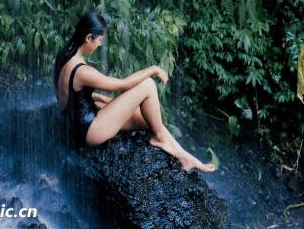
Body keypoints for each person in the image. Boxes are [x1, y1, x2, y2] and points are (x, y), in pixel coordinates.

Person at [53, 12, 214, 173]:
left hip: (75, 124)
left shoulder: (65, 55)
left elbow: (69, 95)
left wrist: (97, 97)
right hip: (89, 131)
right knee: (148, 85)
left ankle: (184, 156)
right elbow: (123, 85)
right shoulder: (82, 72)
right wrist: (154, 69)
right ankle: (161, 139)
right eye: (99, 40)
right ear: (88, 38)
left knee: (145, 118)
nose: (100, 45)